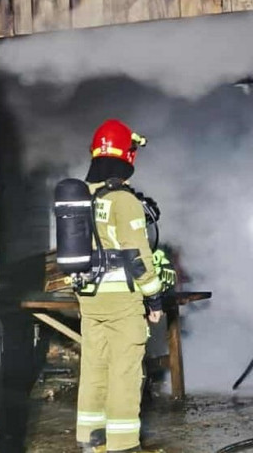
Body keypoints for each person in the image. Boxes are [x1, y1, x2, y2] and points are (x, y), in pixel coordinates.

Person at [76, 119, 165, 453]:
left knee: (94, 369)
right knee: (125, 374)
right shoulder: (123, 200)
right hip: (121, 302)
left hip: (89, 298)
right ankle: (123, 445)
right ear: (127, 155)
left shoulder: (82, 196)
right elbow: (138, 256)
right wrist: (154, 299)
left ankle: (90, 440)